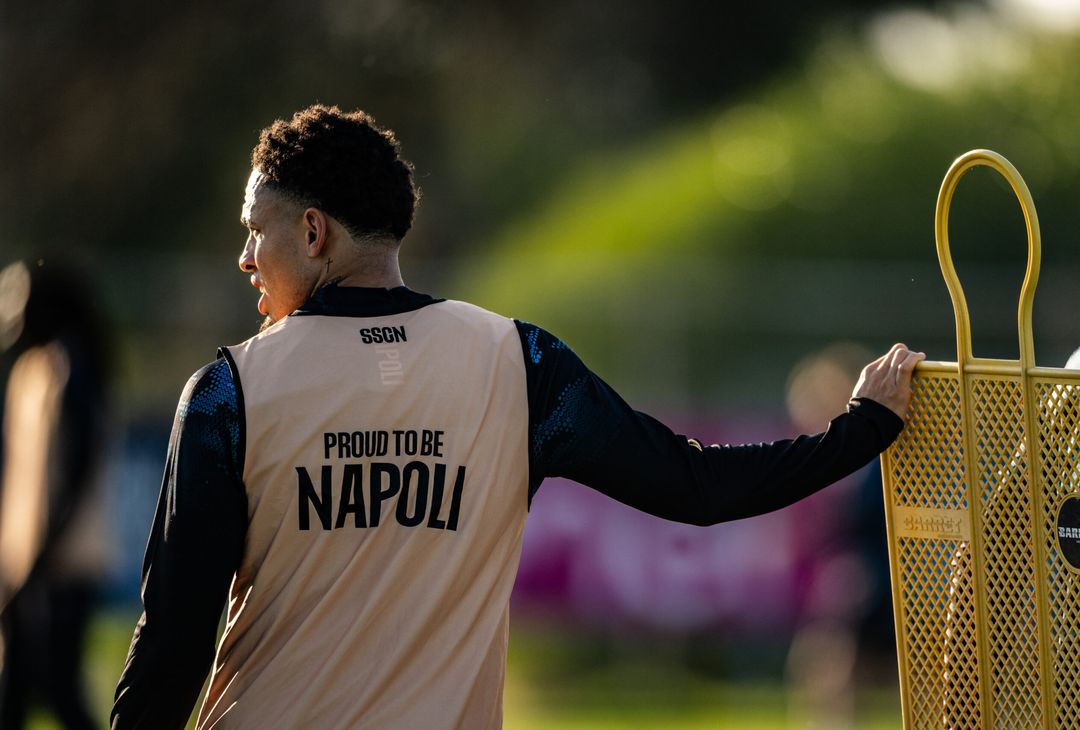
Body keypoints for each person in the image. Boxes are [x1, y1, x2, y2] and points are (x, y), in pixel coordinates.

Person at [110, 104, 924, 729]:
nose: (247, 258)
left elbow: (173, 642)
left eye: (259, 232)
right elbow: (697, 485)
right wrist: (861, 428)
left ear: (314, 232)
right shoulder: (515, 363)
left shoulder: (229, 390)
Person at [1, 259, 110, 730]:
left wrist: (42, 557)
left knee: (58, 687)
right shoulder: (31, 368)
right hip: (24, 563)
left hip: (62, 565)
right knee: (14, 691)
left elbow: (79, 469)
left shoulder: (75, 369)